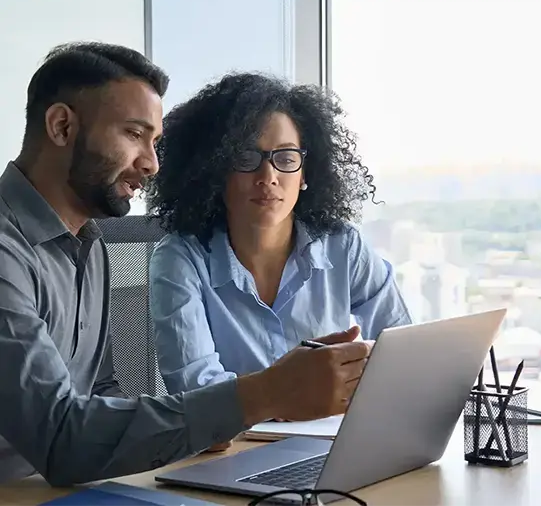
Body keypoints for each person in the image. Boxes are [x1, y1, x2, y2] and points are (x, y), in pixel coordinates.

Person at [0, 42, 371, 486]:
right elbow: (62, 438)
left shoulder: (88, 244)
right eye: (134, 134)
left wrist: (196, 424)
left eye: (154, 142)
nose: (152, 163)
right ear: (61, 126)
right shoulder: (7, 252)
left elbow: (101, 394)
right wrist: (266, 394)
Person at [145, 73, 411, 404]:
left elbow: (403, 352)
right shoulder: (180, 259)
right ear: (214, 171)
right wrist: (293, 394)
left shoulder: (344, 246)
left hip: (333, 439)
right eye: (245, 158)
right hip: (234, 448)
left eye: (285, 158)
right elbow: (197, 394)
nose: (268, 177)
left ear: (305, 174)